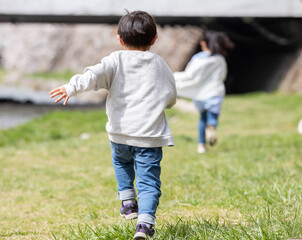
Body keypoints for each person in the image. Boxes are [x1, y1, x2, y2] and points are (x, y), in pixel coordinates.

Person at [49, 10, 176, 240]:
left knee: (121, 163)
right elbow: (170, 95)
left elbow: (93, 75)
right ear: (154, 39)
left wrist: (71, 87)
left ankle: (128, 202)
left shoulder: (115, 60)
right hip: (149, 136)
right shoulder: (160, 64)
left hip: (119, 134)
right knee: (148, 183)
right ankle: (145, 226)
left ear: (119, 38)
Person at [173, 31, 234, 154]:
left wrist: (173, 77)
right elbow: (223, 75)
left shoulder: (198, 58)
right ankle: (211, 128)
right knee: (212, 117)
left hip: (200, 94)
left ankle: (201, 146)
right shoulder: (220, 58)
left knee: (202, 118)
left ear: (203, 43)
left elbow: (189, 75)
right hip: (215, 92)